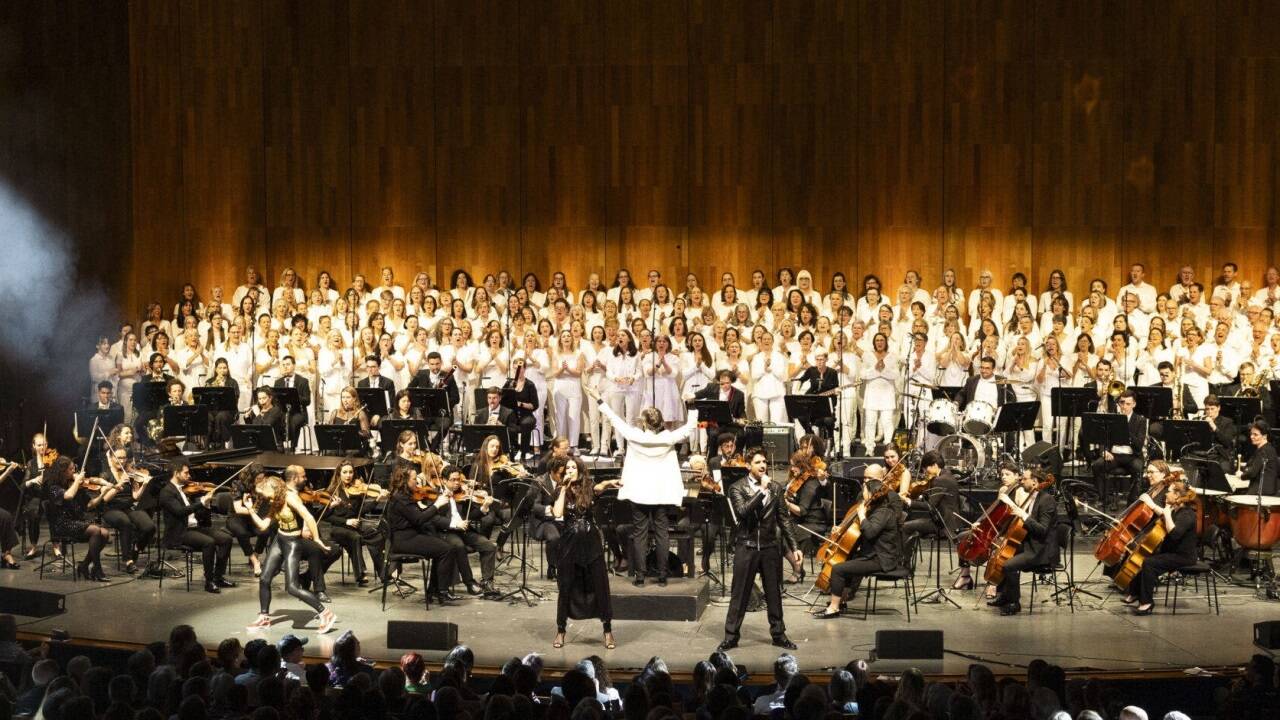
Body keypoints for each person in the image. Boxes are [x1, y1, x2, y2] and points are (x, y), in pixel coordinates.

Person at [588, 385, 698, 587]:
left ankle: (640, 576)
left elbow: (614, 418)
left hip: (639, 493)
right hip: (661, 494)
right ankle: (663, 575)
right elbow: (691, 426)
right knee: (662, 533)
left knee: (640, 533)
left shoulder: (634, 436)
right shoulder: (669, 438)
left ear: (645, 423)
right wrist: (691, 404)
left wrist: (599, 399)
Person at [719, 448, 800, 652]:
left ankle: (779, 634)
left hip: (770, 547)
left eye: (764, 462)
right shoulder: (737, 488)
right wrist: (761, 491)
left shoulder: (776, 487)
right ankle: (731, 636)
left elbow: (784, 518)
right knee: (740, 594)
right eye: (758, 462)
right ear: (748, 465)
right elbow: (743, 512)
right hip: (746, 546)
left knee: (774, 594)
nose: (763, 465)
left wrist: (795, 546)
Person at [245, 475, 338, 633]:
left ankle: (326, 614)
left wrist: (317, 539)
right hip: (279, 540)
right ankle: (264, 618)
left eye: (263, 492)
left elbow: (308, 517)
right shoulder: (274, 500)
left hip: (292, 543)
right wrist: (250, 509)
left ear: (272, 488)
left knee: (292, 587)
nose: (262, 496)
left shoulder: (290, 498)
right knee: (264, 578)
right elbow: (263, 526)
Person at [813, 466, 904, 618]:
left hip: (881, 558)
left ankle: (833, 608)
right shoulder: (877, 509)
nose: (863, 494)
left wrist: (862, 516)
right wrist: (842, 529)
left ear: (873, 494)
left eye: (866, 491)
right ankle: (840, 602)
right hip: (873, 553)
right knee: (846, 562)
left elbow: (869, 532)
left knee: (838, 569)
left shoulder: (883, 512)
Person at [549, 455, 614, 650]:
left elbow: (600, 488)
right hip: (569, 544)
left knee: (600, 586)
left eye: (572, 467)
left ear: (579, 469)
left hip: (591, 543)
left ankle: (608, 631)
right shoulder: (561, 489)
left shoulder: (589, 487)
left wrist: (610, 482)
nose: (569, 470)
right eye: (566, 468)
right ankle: (561, 630)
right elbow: (558, 513)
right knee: (566, 586)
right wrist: (562, 490)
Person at [383, 464, 468, 605]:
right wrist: (437, 505)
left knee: (442, 547)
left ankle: (434, 592)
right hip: (404, 540)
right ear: (405, 481)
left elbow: (417, 516)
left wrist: (428, 507)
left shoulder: (404, 496)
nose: (416, 482)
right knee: (446, 549)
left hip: (409, 536)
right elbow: (418, 519)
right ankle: (441, 592)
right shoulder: (401, 499)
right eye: (414, 479)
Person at [1122, 475, 1198, 615]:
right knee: (1143, 557)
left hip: (1183, 556)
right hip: (1172, 552)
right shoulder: (1176, 510)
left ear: (1176, 496)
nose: (1166, 493)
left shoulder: (1187, 514)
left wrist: (1167, 514)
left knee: (1150, 563)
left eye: (1169, 491)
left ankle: (1147, 603)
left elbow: (1175, 534)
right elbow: (1163, 513)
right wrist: (1155, 506)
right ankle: (1135, 593)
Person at [989, 468, 1060, 616]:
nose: (1022, 481)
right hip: (1030, 544)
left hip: (1042, 550)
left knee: (1009, 565)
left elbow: (1042, 530)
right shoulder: (1032, 496)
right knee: (1004, 557)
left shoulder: (1047, 500)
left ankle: (1014, 603)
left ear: (1034, 482)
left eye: (1025, 479)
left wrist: (1023, 515)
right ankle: (1005, 596)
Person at [158, 460, 235, 593]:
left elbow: (194, 513)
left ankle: (218, 577)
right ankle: (209, 581)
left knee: (226, 539)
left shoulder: (181, 490)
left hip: (193, 527)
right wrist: (200, 502)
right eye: (186, 473)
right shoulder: (167, 492)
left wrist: (206, 504)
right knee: (209, 543)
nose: (189, 476)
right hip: (179, 533)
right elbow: (180, 512)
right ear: (176, 473)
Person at [42, 456, 112, 581]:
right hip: (62, 525)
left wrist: (103, 494)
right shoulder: (53, 487)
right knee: (96, 530)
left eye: (74, 469)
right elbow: (68, 496)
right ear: (62, 471)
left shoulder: (75, 486)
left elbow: (89, 505)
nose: (74, 472)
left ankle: (84, 565)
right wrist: (76, 482)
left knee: (105, 533)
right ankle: (97, 569)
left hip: (75, 522)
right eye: (71, 470)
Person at [435, 465, 500, 598]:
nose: (457, 483)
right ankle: (469, 583)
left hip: (464, 530)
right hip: (446, 531)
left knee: (489, 546)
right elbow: (435, 519)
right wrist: (455, 524)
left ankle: (487, 582)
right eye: (453, 480)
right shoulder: (436, 494)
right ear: (444, 480)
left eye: (458, 479)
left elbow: (471, 515)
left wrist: (484, 507)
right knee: (459, 546)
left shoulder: (461, 495)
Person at [319, 460, 386, 587]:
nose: (348, 475)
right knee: (355, 537)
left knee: (375, 534)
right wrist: (346, 521)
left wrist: (377, 500)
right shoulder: (332, 491)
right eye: (345, 472)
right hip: (338, 528)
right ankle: (361, 574)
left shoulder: (356, 490)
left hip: (355, 526)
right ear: (339, 473)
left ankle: (383, 573)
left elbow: (362, 511)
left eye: (351, 472)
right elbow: (326, 517)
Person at [1088, 390, 1149, 504]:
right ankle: (1104, 498)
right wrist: (1104, 451)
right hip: (1114, 455)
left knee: (1138, 468)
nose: (1124, 406)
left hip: (1132, 456)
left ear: (1134, 404)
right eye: (1122, 403)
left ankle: (1132, 501)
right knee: (1097, 465)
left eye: (1128, 404)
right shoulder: (1112, 418)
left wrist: (1124, 427)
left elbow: (1139, 444)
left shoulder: (1140, 420)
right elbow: (1103, 439)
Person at [273, 355, 312, 449]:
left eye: (288, 364)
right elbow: (275, 400)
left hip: (299, 411)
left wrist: (295, 396)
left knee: (293, 421)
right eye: (283, 365)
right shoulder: (278, 382)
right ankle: (280, 445)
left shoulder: (303, 381)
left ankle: (293, 447)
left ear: (294, 366)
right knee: (274, 419)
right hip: (283, 411)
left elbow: (307, 401)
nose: (285, 367)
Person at [1242, 421, 1279, 495]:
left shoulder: (1264, 451)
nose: (1251, 436)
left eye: (1255, 434)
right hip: (1260, 489)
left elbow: (1252, 472)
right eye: (1251, 434)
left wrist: (1241, 476)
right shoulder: (1265, 449)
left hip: (1262, 492)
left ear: (1264, 436)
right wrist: (1247, 470)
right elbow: (1248, 467)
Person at [245, 386, 286, 451]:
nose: (261, 401)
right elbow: (253, 428)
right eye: (259, 399)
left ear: (270, 398)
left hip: (274, 446)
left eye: (264, 398)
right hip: (259, 444)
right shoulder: (258, 409)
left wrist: (258, 414)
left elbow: (265, 427)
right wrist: (247, 417)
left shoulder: (276, 410)